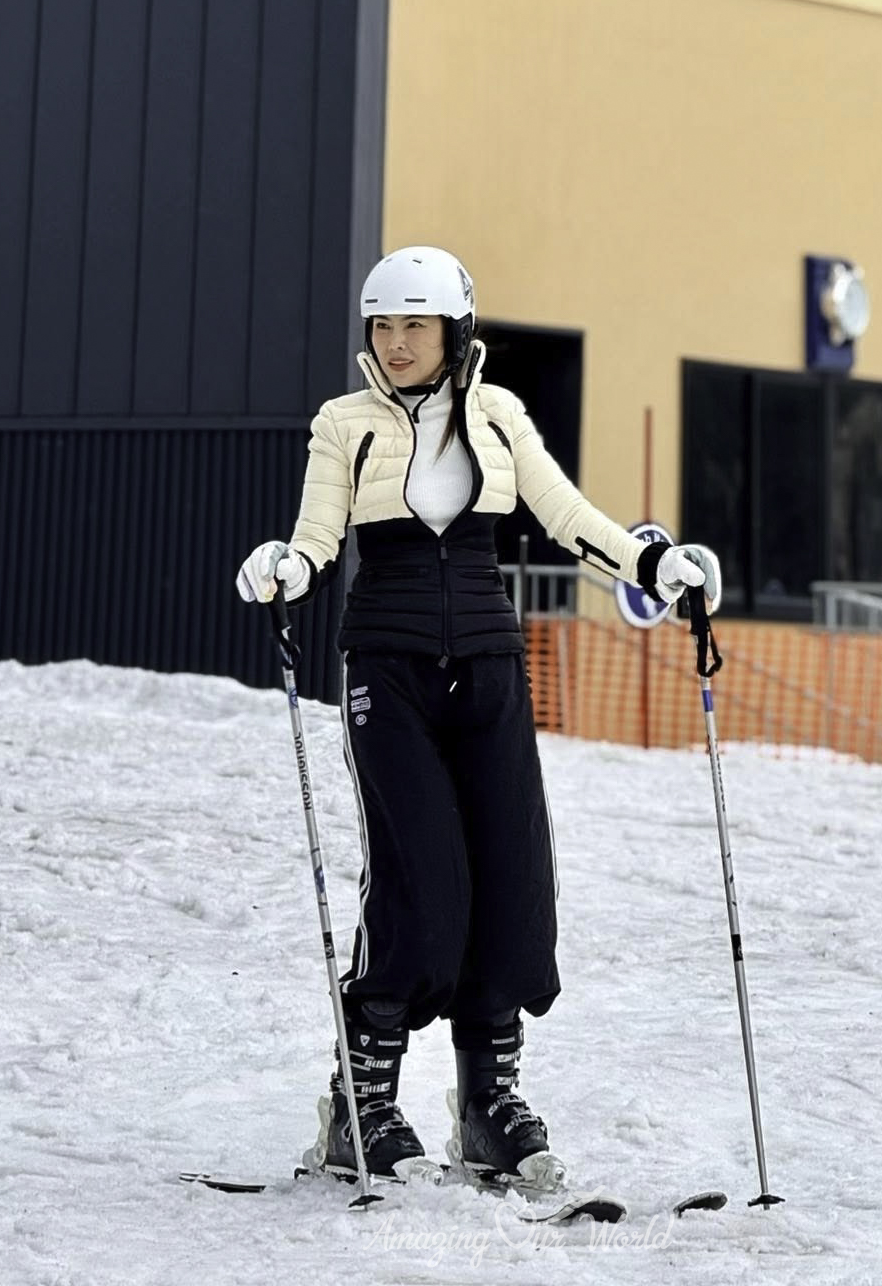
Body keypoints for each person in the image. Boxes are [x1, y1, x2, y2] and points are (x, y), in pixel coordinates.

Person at [237, 244, 720, 1189]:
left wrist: (654, 566)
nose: (396, 342)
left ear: (455, 331)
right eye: (383, 325)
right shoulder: (345, 424)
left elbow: (567, 516)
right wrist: (284, 569)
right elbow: (317, 538)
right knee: (421, 884)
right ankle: (360, 1108)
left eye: (415, 325)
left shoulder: (498, 416)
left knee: (512, 882)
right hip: (388, 671)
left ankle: (487, 1108)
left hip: (491, 668)